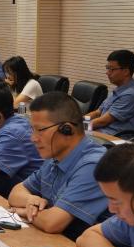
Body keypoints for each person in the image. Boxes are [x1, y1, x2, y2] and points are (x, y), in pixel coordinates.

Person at [8, 92, 110, 239]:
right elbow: (16, 192)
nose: (33, 138)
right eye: (32, 130)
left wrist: (24, 211)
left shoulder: (93, 166)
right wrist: (30, 200)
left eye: (40, 130)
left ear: (66, 129)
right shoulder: (54, 157)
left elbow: (52, 223)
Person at [86, 49, 134, 138]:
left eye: (111, 69)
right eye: (107, 68)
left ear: (126, 71)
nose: (107, 73)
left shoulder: (131, 95)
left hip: (113, 139)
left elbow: (103, 121)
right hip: (99, 133)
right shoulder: (119, 90)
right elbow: (97, 112)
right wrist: (77, 121)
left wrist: (79, 127)